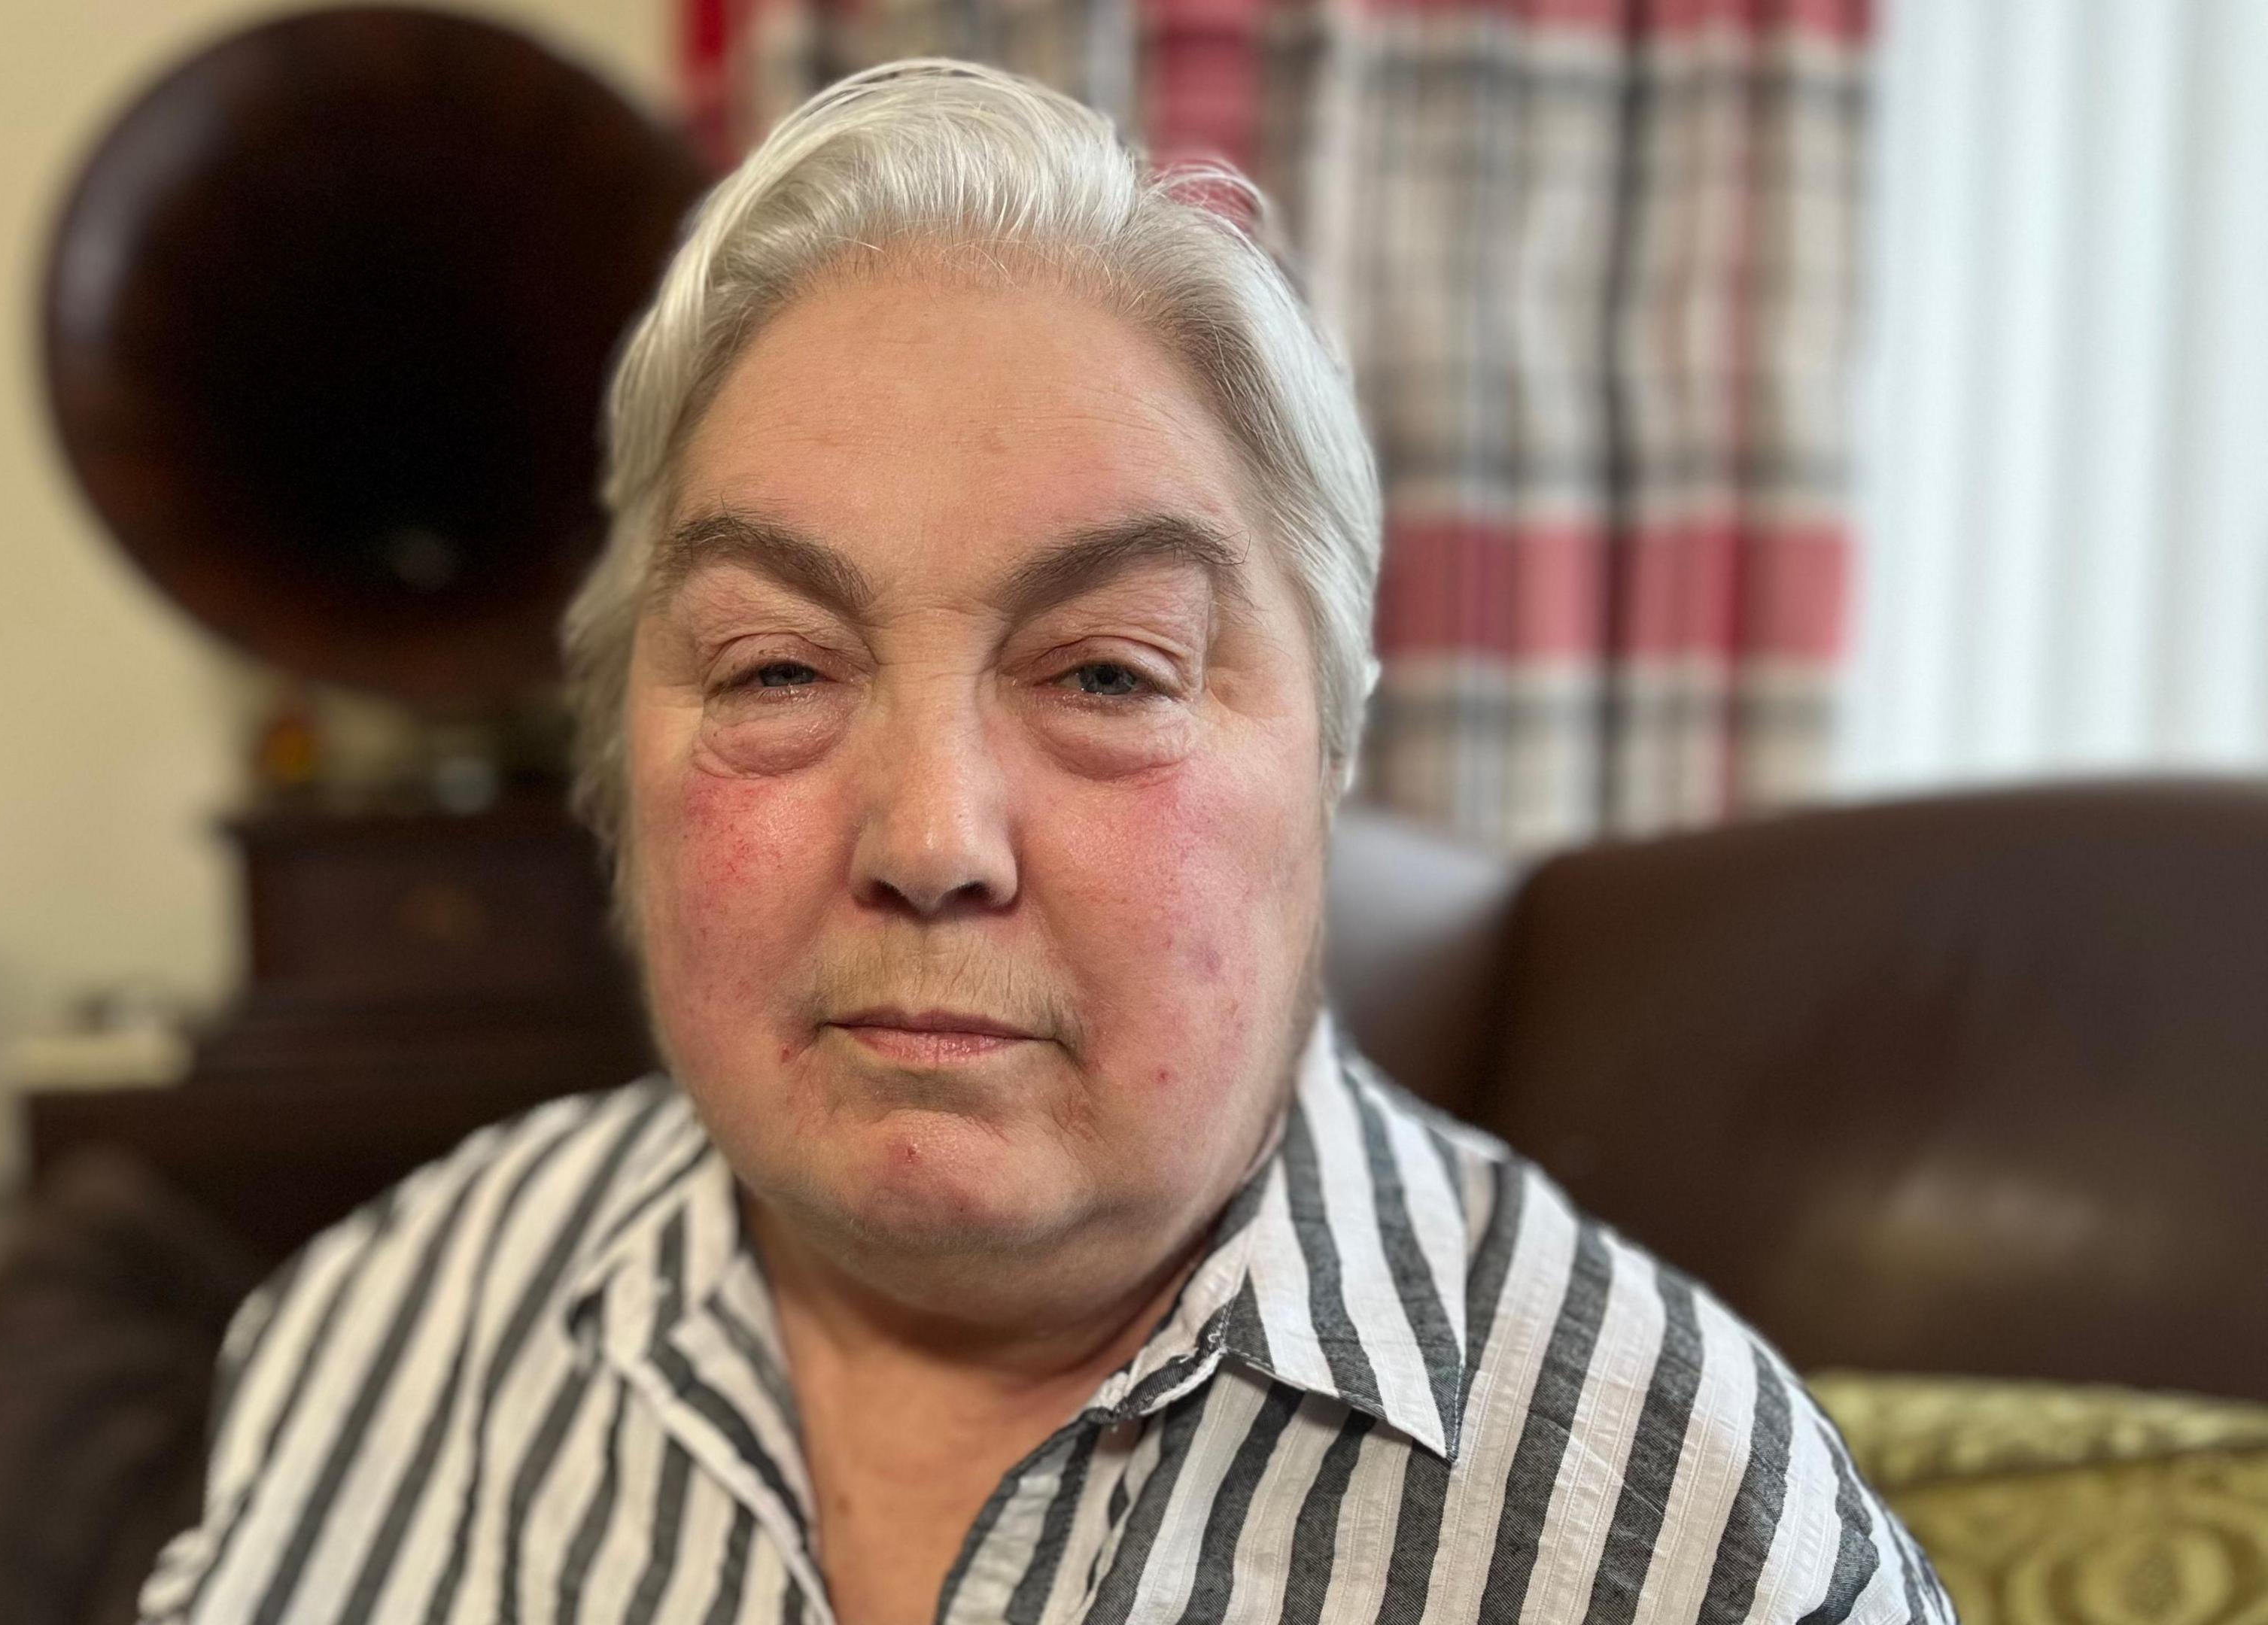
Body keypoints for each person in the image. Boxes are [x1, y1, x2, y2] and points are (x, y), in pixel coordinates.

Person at [140, 59, 1948, 1625]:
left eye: (1104, 670)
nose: (931, 837)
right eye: (776, 666)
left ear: (1326, 753)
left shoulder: (1685, 1529)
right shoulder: (371, 1328)